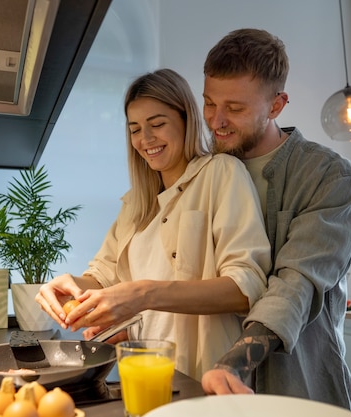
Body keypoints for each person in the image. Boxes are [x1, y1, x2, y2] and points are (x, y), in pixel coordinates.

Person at [36, 68, 271, 380]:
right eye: (135, 129)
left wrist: (143, 293)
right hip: (145, 372)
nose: (145, 139)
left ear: (186, 119)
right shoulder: (135, 203)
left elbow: (245, 288)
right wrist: (68, 287)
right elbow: (104, 279)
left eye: (157, 124)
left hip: (203, 378)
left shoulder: (221, 174)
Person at [199, 28, 351, 411]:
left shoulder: (331, 178)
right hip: (205, 386)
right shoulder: (204, 170)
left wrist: (236, 362)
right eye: (209, 103)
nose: (217, 121)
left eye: (235, 108)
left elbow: (297, 282)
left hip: (299, 385)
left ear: (277, 105)